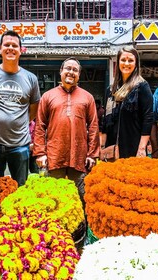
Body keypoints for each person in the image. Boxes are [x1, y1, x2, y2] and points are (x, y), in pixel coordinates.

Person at [0, 30, 40, 186]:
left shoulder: (31, 78)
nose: (10, 48)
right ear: (0, 48)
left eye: (14, 45)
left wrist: (16, 123)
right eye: (7, 45)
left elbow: (33, 110)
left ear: (21, 50)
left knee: (20, 188)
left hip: (20, 144)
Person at [33, 57, 99, 204]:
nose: (71, 72)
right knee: (54, 200)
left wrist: (92, 155)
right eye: (68, 68)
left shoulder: (87, 97)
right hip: (55, 156)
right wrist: (40, 153)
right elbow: (40, 126)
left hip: (79, 157)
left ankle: (82, 227)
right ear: (61, 72)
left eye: (75, 70)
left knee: (81, 198)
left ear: (79, 75)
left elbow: (93, 126)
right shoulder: (48, 96)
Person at [100, 46, 153, 159]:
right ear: (118, 62)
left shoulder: (142, 86)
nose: (127, 63)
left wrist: (142, 148)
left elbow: (148, 118)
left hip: (133, 146)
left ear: (136, 64)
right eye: (123, 60)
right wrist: (102, 147)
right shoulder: (110, 90)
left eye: (131, 60)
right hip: (112, 147)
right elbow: (105, 121)